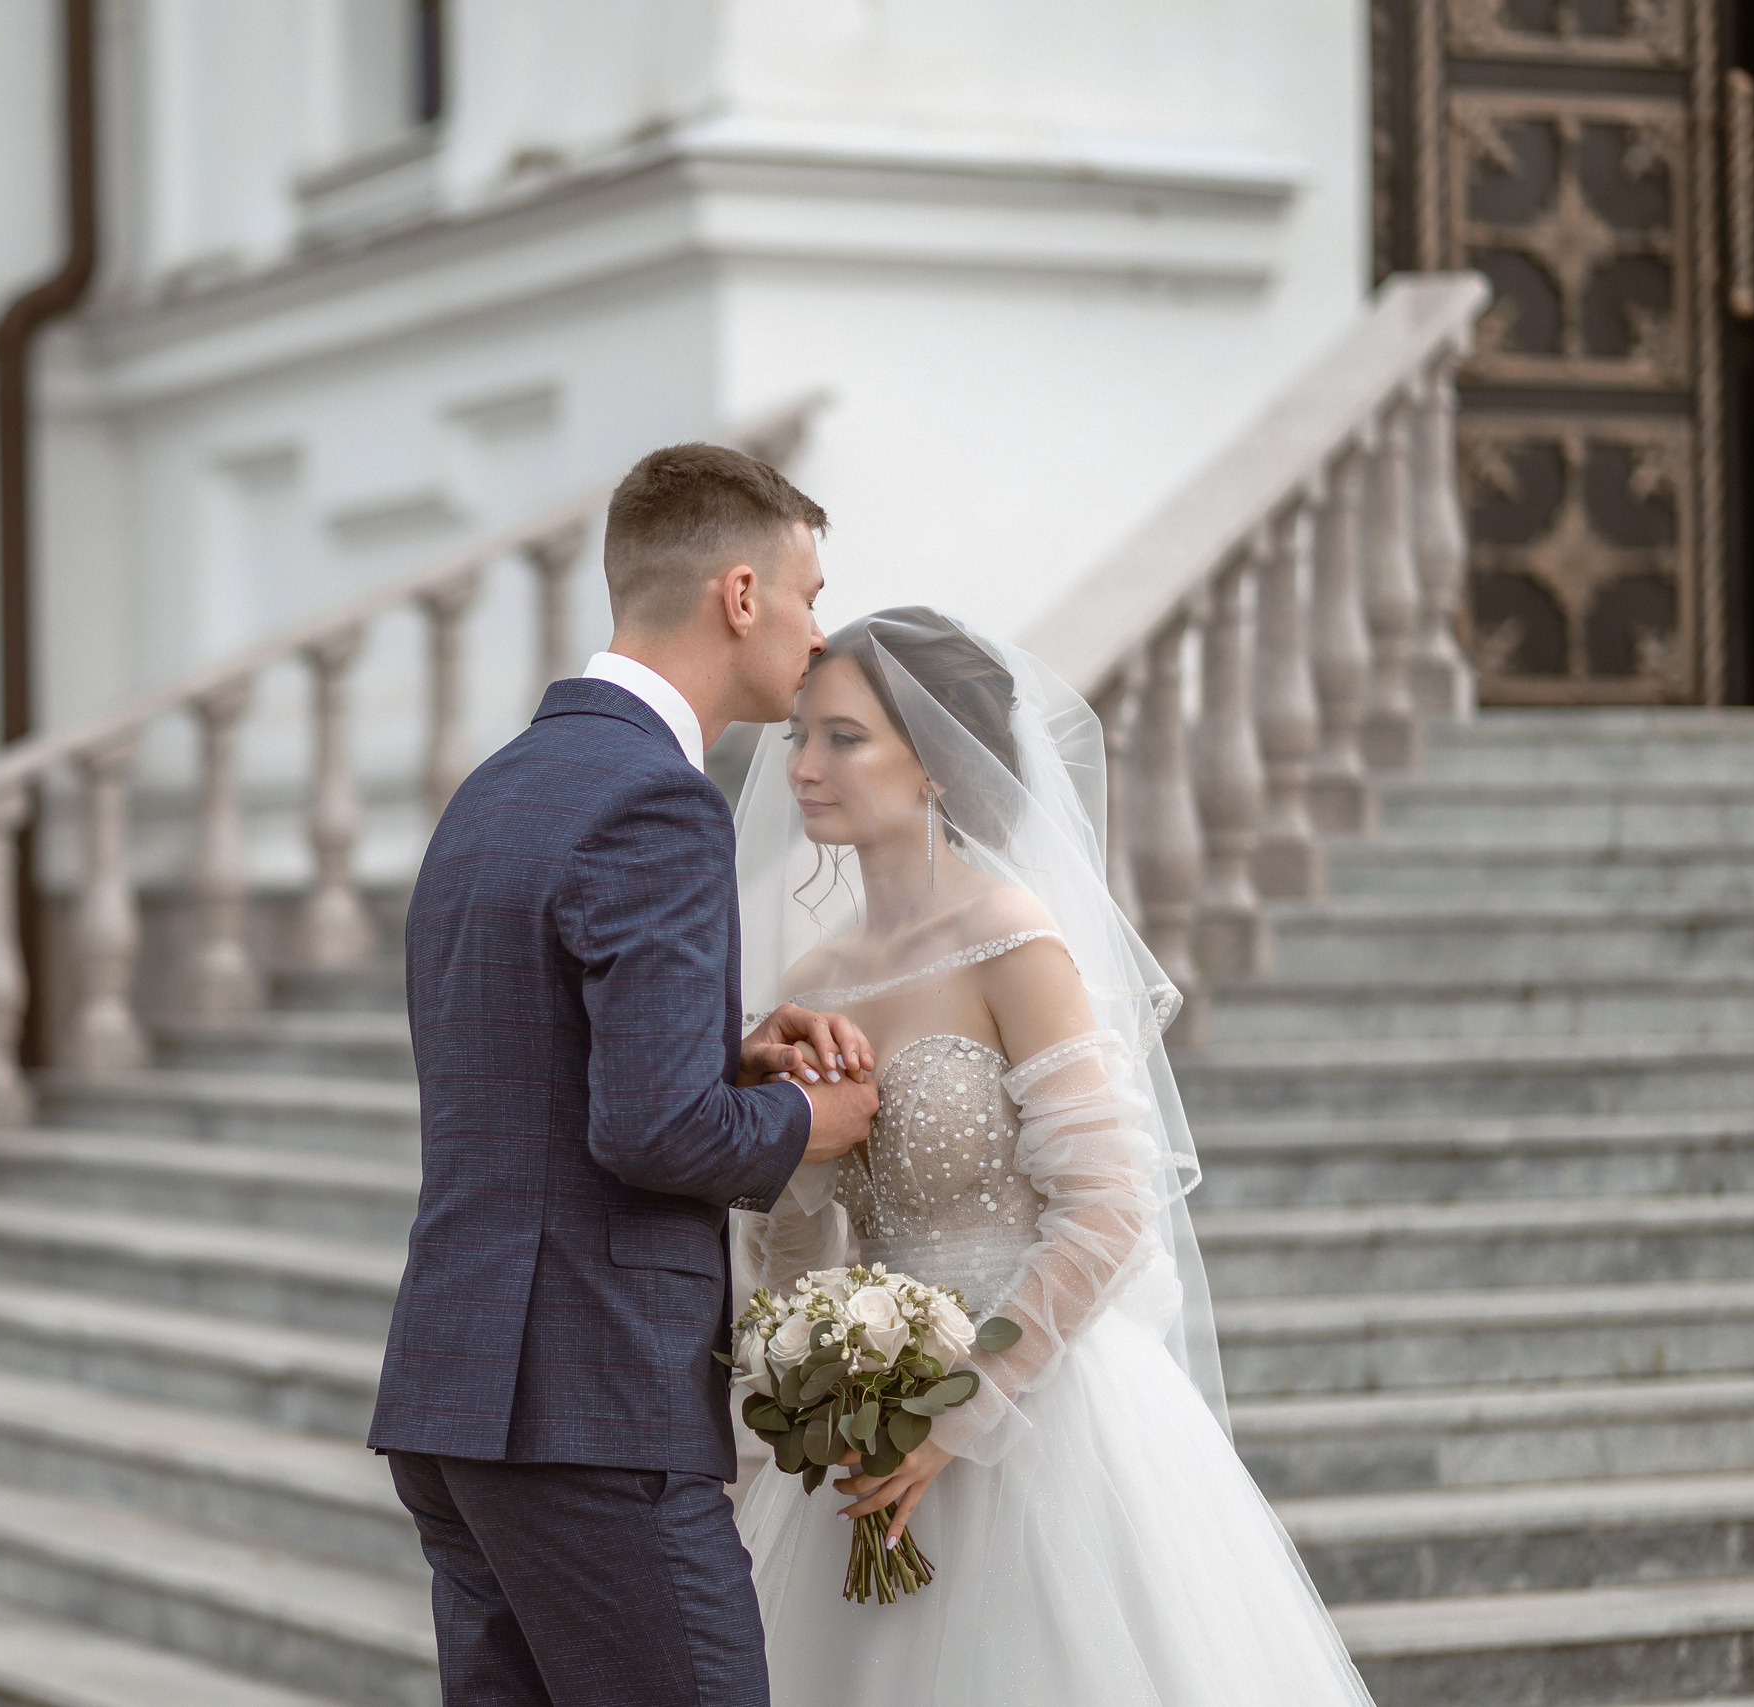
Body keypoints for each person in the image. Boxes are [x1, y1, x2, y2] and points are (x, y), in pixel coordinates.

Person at [730, 607, 1375, 1706]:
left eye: (843, 738)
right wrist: (794, 1178)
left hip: (1040, 1413)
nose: (802, 767)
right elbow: (800, 1250)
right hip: (868, 1431)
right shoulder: (814, 979)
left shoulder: (1011, 937)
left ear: (936, 765)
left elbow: (1109, 1204)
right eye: (799, 735)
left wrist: (961, 1411)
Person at [370, 443, 882, 1707]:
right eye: (810, 595)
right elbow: (654, 1135)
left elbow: (530, 1060)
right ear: (742, 595)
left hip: (458, 1390)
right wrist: (810, 1116)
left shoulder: (498, 786)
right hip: (588, 1405)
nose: (818, 633)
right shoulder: (657, 800)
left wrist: (726, 1056)